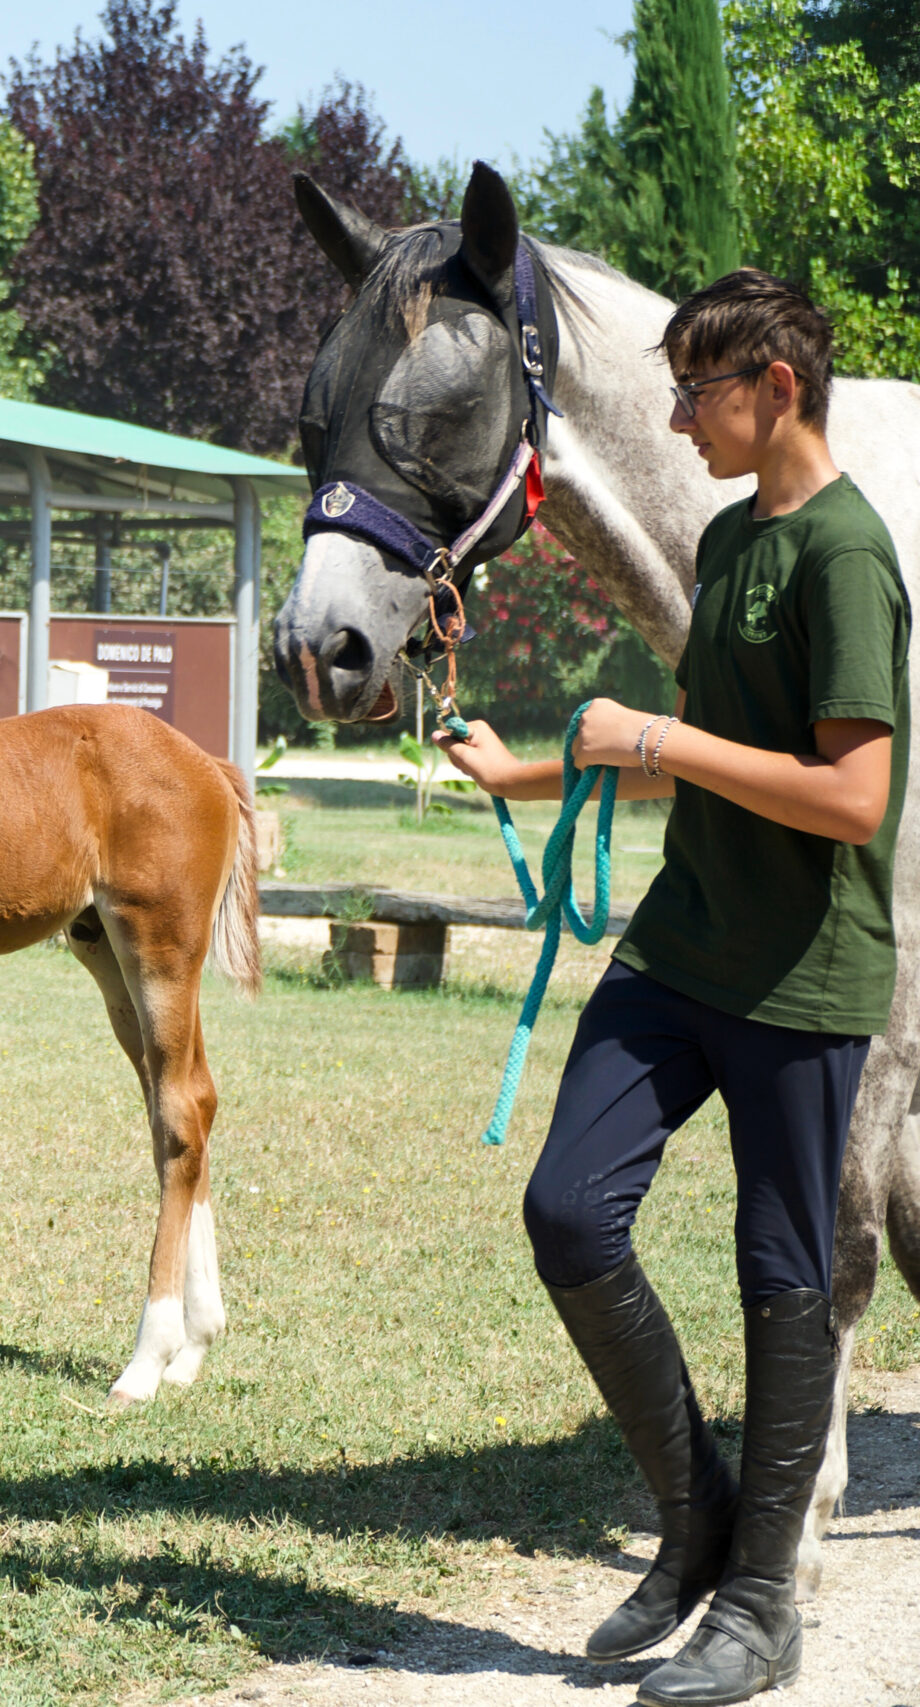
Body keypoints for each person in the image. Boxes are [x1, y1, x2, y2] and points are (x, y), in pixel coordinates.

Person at [437, 269, 907, 1706]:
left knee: (786, 1278)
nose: (677, 414)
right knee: (570, 1213)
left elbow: (854, 794)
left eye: (697, 391)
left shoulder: (844, 558)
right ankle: (698, 1509)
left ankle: (764, 1607)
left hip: (800, 971)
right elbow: (698, 728)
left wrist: (659, 739)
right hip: (680, 942)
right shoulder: (727, 540)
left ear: (776, 390)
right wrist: (530, 765)